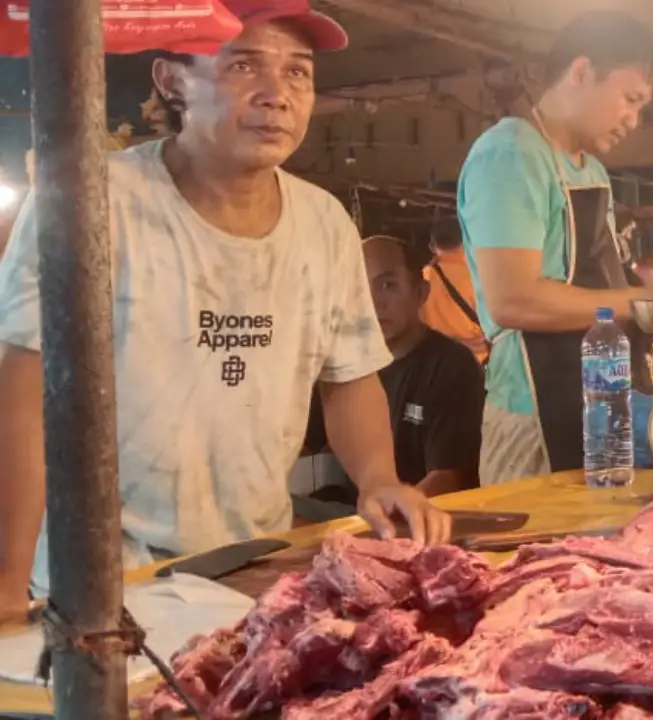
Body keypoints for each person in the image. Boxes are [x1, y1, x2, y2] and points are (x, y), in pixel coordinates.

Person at [0, 0, 450, 625]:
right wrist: (8, 577)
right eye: (243, 65)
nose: (276, 95)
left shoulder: (323, 223)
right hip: (101, 576)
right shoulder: (93, 202)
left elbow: (348, 377)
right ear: (171, 81)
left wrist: (379, 478)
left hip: (252, 561)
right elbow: (21, 394)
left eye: (297, 72)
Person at [458, 10, 653, 486]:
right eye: (630, 99)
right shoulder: (511, 153)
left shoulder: (591, 170)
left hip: (601, 406)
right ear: (583, 71)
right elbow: (514, 300)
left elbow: (597, 281)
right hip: (533, 412)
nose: (634, 119)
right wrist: (646, 301)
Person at [358, 234, 483, 496]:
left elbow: (449, 477)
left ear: (421, 293)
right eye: (359, 287)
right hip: (353, 509)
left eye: (388, 285)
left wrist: (393, 513)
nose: (373, 301)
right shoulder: (349, 365)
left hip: (421, 513)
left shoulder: (451, 367)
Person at [421, 219, 487, 363]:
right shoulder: (480, 277)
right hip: (477, 363)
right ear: (466, 242)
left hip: (436, 362)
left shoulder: (421, 280)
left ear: (432, 246)